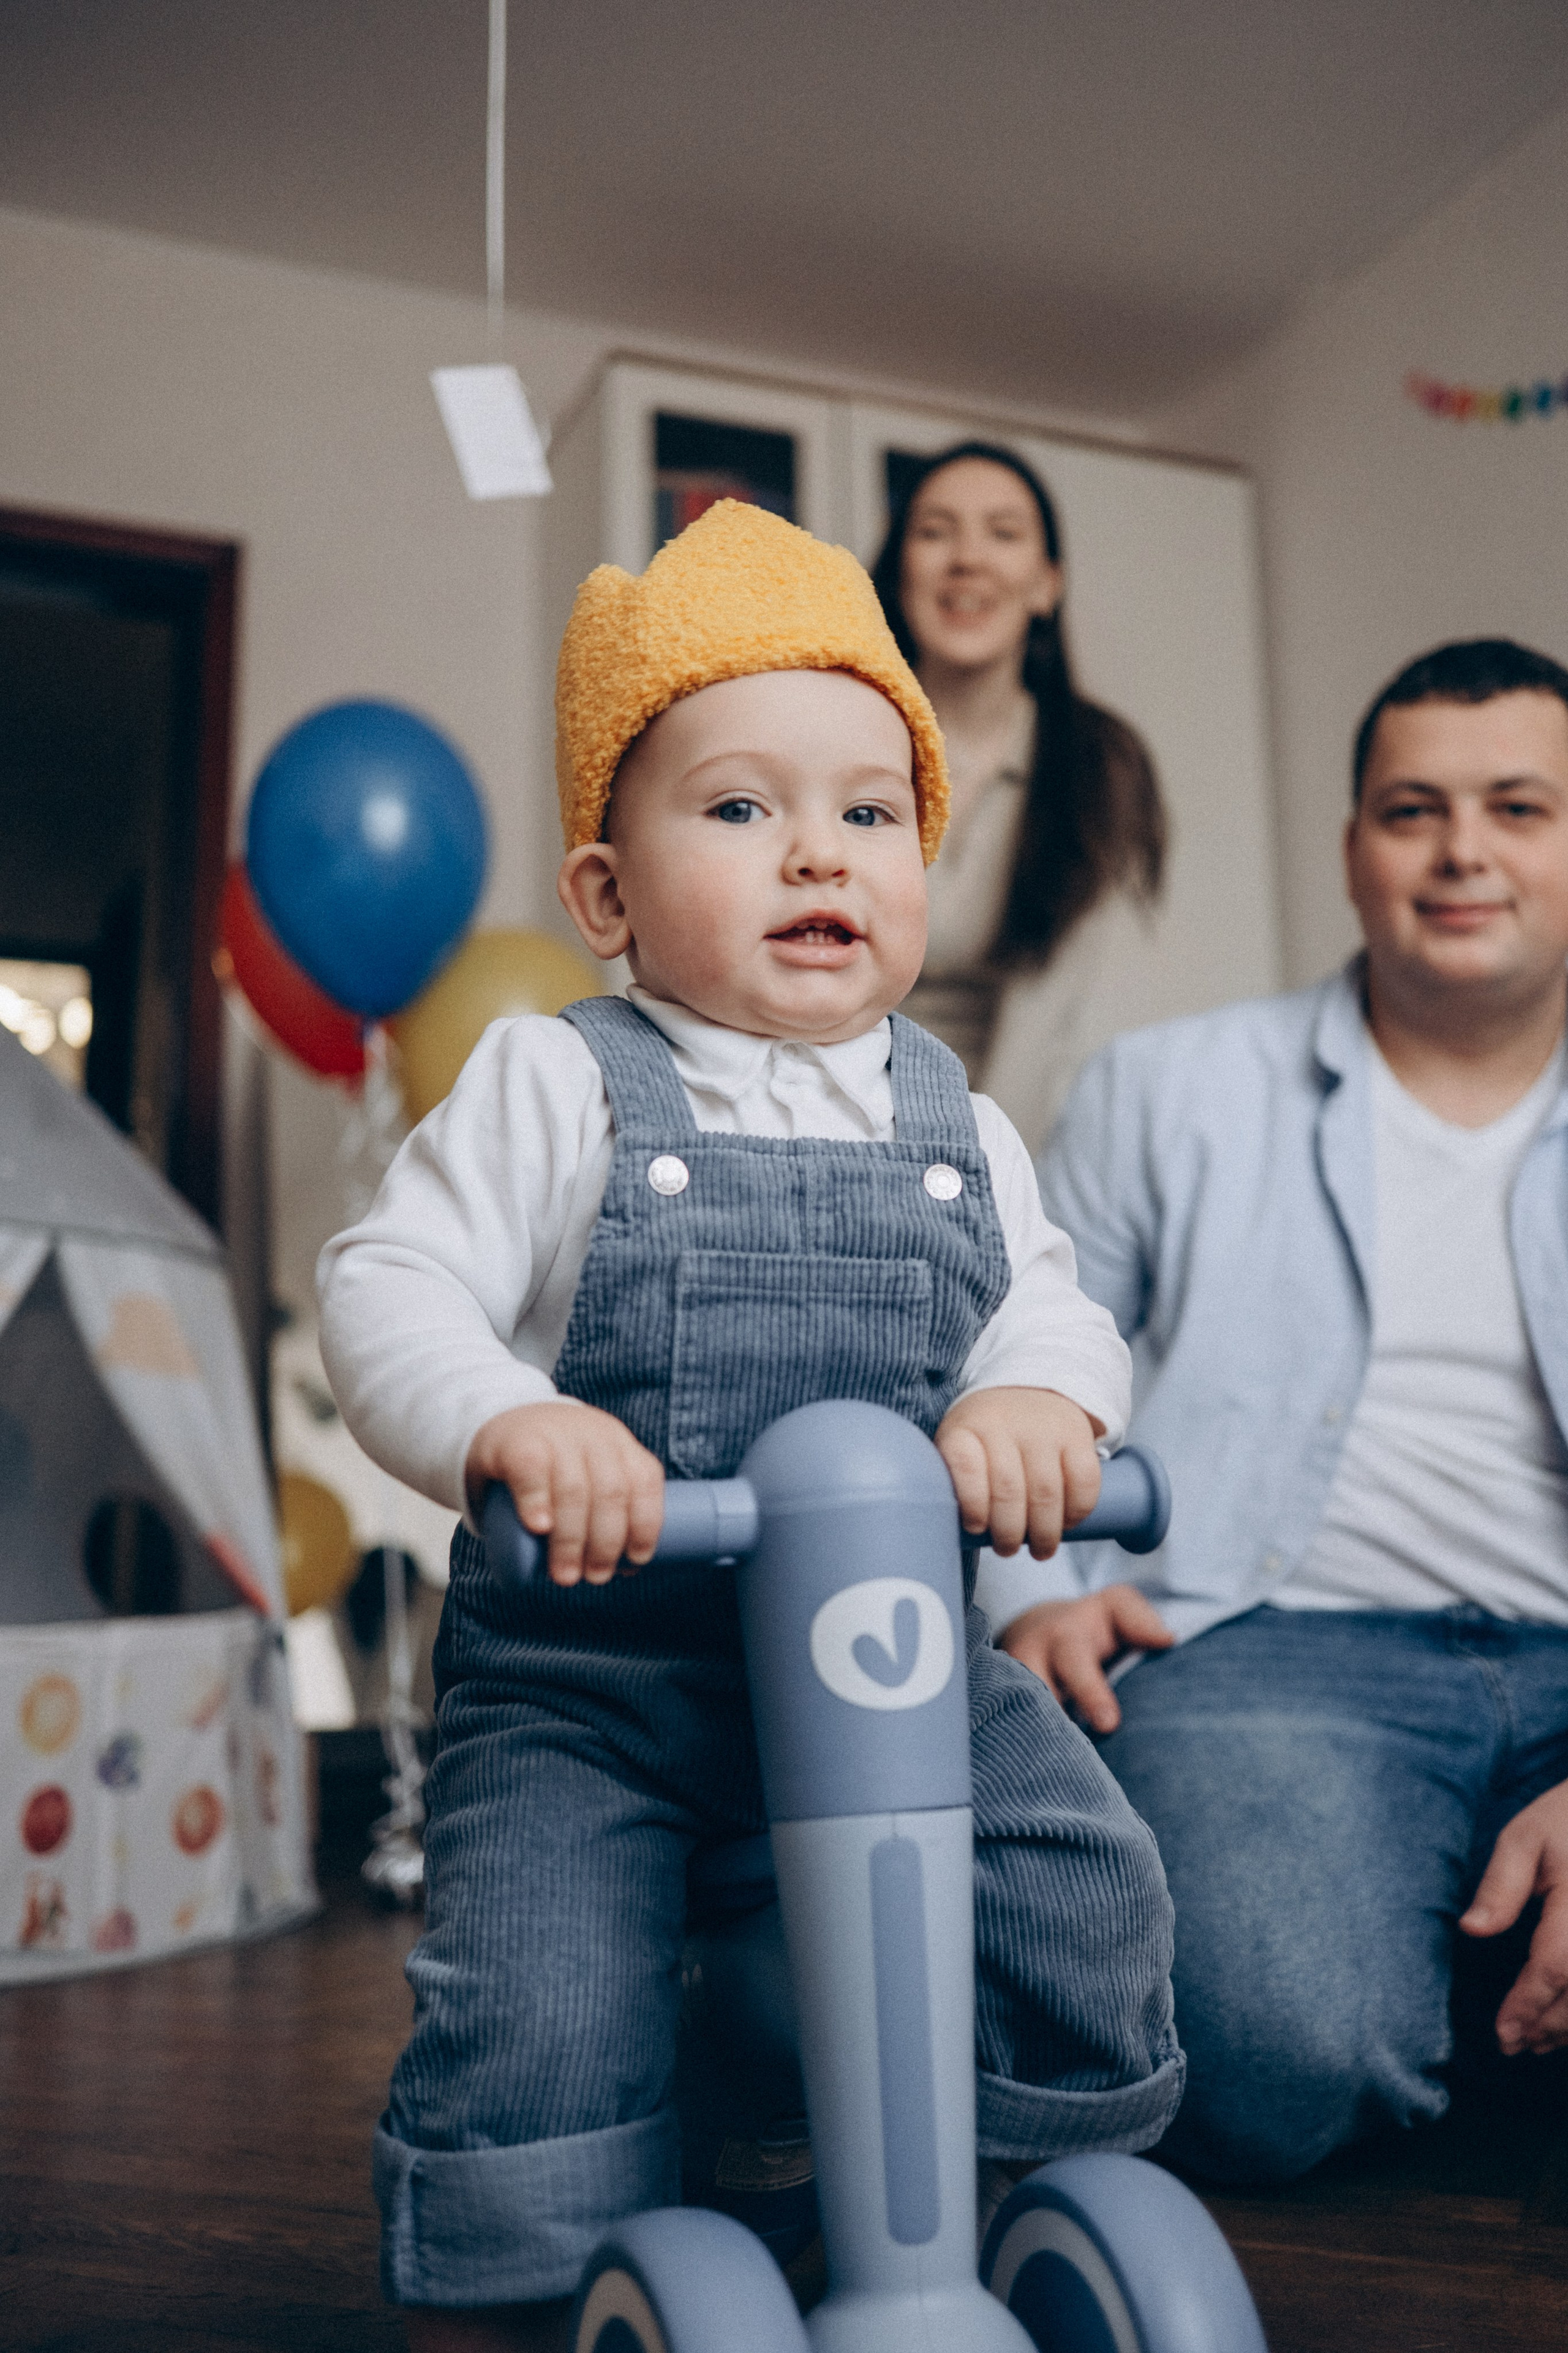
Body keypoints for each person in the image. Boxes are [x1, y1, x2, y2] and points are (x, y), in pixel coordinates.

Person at [318, 500, 1183, 2347]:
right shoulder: (559, 1079)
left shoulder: (957, 1119)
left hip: (896, 1666)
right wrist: (508, 1419)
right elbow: (389, 1282)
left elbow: (1045, 1305)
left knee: (1079, 1882)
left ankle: (1018, 2179)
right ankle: (537, 2258)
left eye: (870, 814)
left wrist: (1036, 1401)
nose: (816, 851)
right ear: (606, 896)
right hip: (602, 1683)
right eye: (737, 807)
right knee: (539, 1993)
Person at [981, 638, 1568, 2187]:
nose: (1459, 852)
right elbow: (1006, 1371)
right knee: (1267, 2055)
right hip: (1263, 1647)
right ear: (1353, 846)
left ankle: (1432, 1970)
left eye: (1516, 808)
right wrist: (1031, 1595)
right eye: (1411, 810)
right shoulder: (1162, 1089)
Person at [871, 440, 1167, 1154]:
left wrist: (976, 1176)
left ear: (1045, 585)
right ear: (899, 572)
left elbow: (1050, 1023)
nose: (967, 559)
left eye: (1002, 533)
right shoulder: (838, 738)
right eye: (934, 531)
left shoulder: (1095, 763)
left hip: (998, 1147)